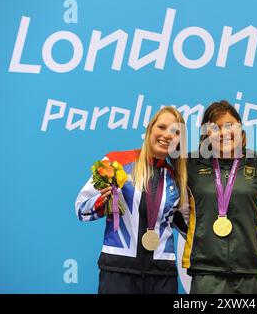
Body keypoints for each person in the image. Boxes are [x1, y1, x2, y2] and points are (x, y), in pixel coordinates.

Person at [75, 106, 188, 294]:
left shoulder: (177, 178)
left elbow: (189, 227)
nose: (167, 135)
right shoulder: (116, 161)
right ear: (150, 129)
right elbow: (80, 208)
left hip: (162, 276)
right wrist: (103, 202)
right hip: (118, 272)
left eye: (175, 132)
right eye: (161, 127)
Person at [182, 100, 257, 294]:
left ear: (240, 128)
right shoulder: (188, 165)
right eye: (215, 128)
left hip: (254, 273)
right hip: (206, 273)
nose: (224, 133)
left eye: (229, 125)